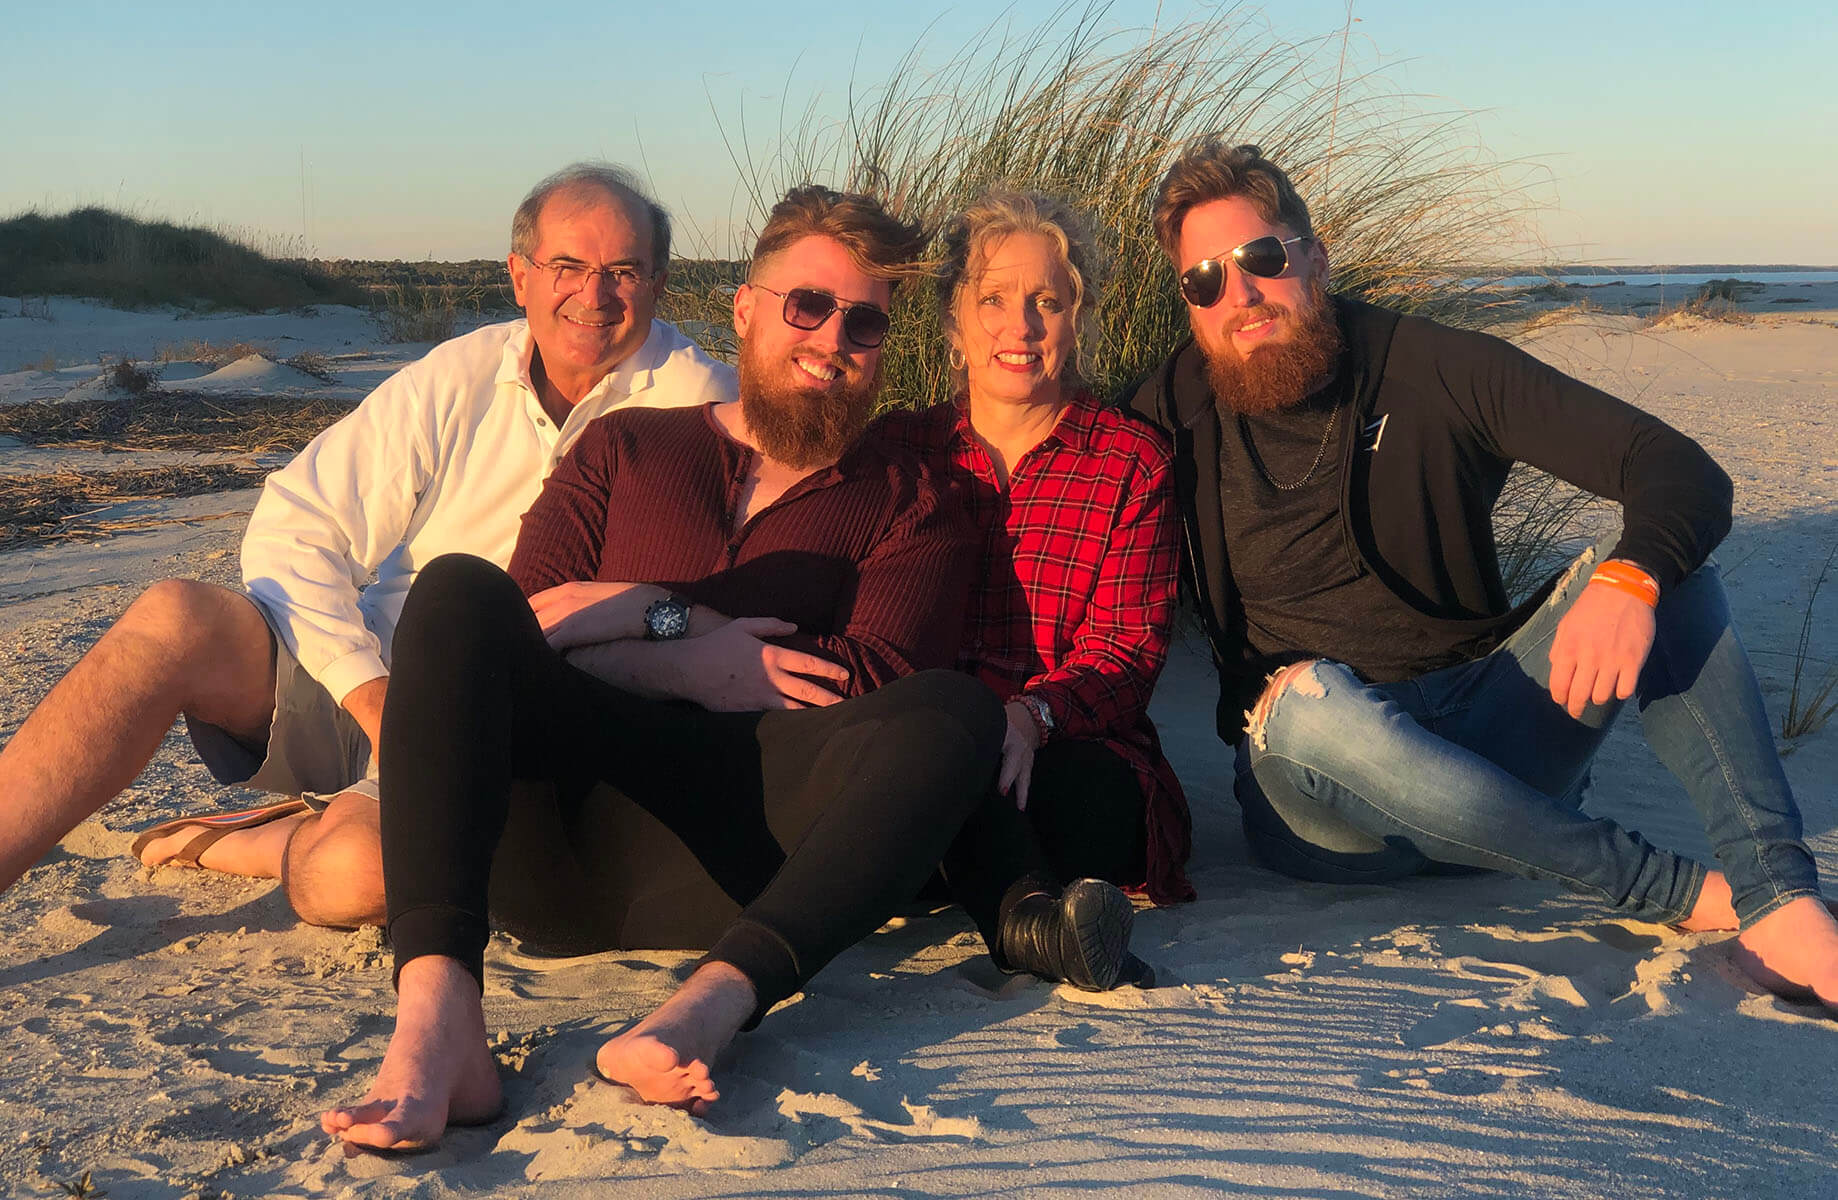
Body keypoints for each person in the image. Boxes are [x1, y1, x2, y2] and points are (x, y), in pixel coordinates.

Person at [319, 185, 1006, 1151]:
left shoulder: (914, 502)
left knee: (955, 714)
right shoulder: (628, 444)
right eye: (808, 304)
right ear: (746, 307)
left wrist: (608, 628)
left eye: (864, 321)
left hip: (741, 858)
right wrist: (682, 642)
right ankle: (439, 1028)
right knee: (455, 594)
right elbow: (516, 631)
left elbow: (859, 680)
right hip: (549, 840)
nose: (832, 339)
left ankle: (712, 1007)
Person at [1125, 138, 1838, 1014]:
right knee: (1308, 701)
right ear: (1189, 306)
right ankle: (1676, 893)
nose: (1240, 295)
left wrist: (1631, 578)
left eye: (1261, 259)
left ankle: (1782, 897)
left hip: (1494, 739)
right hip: (1326, 807)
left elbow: (1674, 467)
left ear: (1313, 257)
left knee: (1670, 571)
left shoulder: (1428, 365)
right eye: (1204, 281)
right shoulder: (1163, 416)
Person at [0, 163, 734, 926]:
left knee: (356, 878)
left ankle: (275, 840)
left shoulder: (706, 406)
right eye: (568, 267)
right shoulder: (464, 373)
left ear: (657, 282)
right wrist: (373, 695)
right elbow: (296, 523)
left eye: (622, 270)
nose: (594, 294)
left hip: (508, 730)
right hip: (372, 688)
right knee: (173, 618)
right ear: (519, 276)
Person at [875, 190, 1191, 992]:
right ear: (953, 320)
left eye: (1046, 302)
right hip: (928, 740)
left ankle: (953, 872)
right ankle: (1035, 926)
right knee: (925, 767)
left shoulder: (1131, 461)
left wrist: (1031, 716)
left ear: (1077, 320)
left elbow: (1128, 652)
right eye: (994, 299)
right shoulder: (900, 449)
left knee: (1046, 797)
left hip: (1068, 753)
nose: (1019, 327)